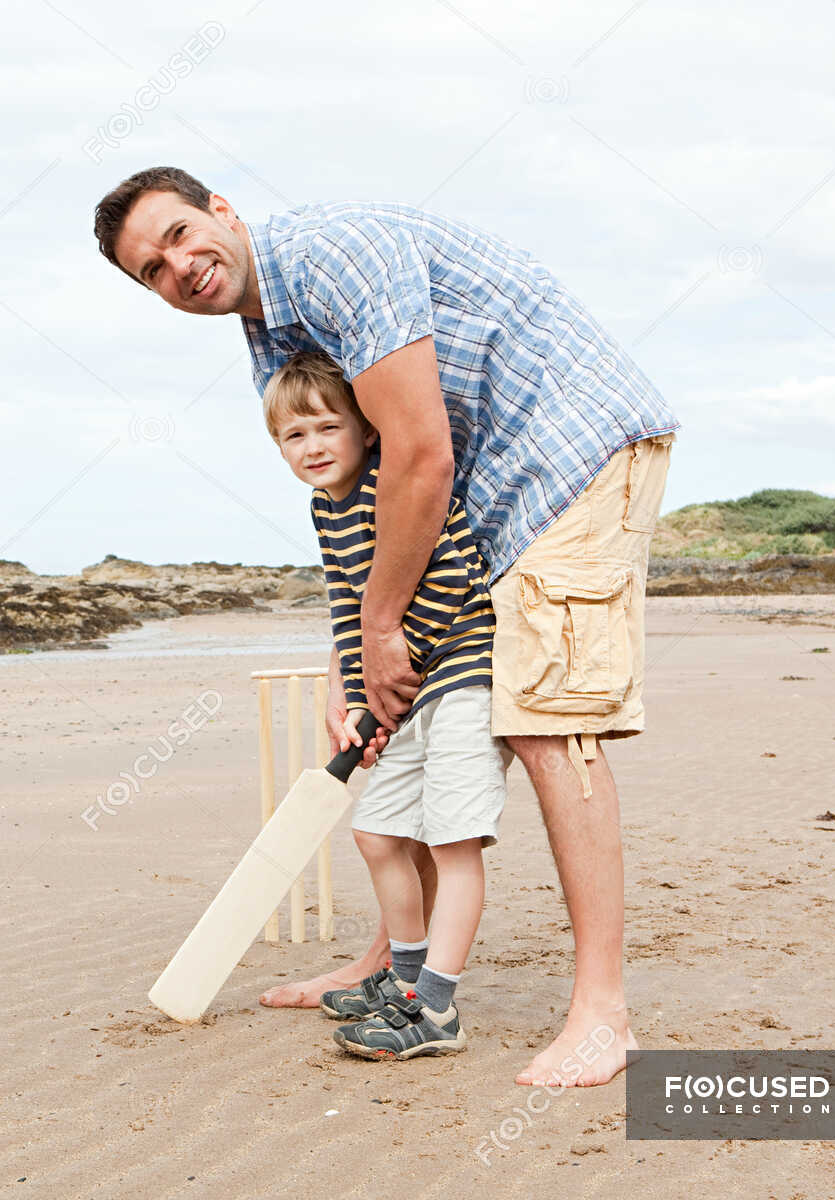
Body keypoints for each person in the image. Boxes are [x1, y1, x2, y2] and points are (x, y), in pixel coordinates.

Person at [93, 166, 678, 1087]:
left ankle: (604, 1015)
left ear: (223, 212)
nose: (177, 267)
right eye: (151, 271)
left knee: (548, 727)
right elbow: (356, 502)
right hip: (475, 498)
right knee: (408, 773)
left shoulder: (333, 257)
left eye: (177, 235)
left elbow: (418, 450)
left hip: (570, 452)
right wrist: (352, 664)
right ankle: (394, 965)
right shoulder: (268, 331)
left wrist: (381, 625)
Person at [264, 351, 506, 1060]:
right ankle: (403, 981)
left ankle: (435, 1011)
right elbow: (352, 602)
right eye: (293, 436)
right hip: (405, 686)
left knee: (451, 840)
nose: (311, 448)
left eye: (325, 428)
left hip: (462, 672)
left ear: (366, 430)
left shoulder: (389, 485)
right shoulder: (324, 508)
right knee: (377, 833)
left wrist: (394, 671)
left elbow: (456, 570)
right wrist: (354, 690)